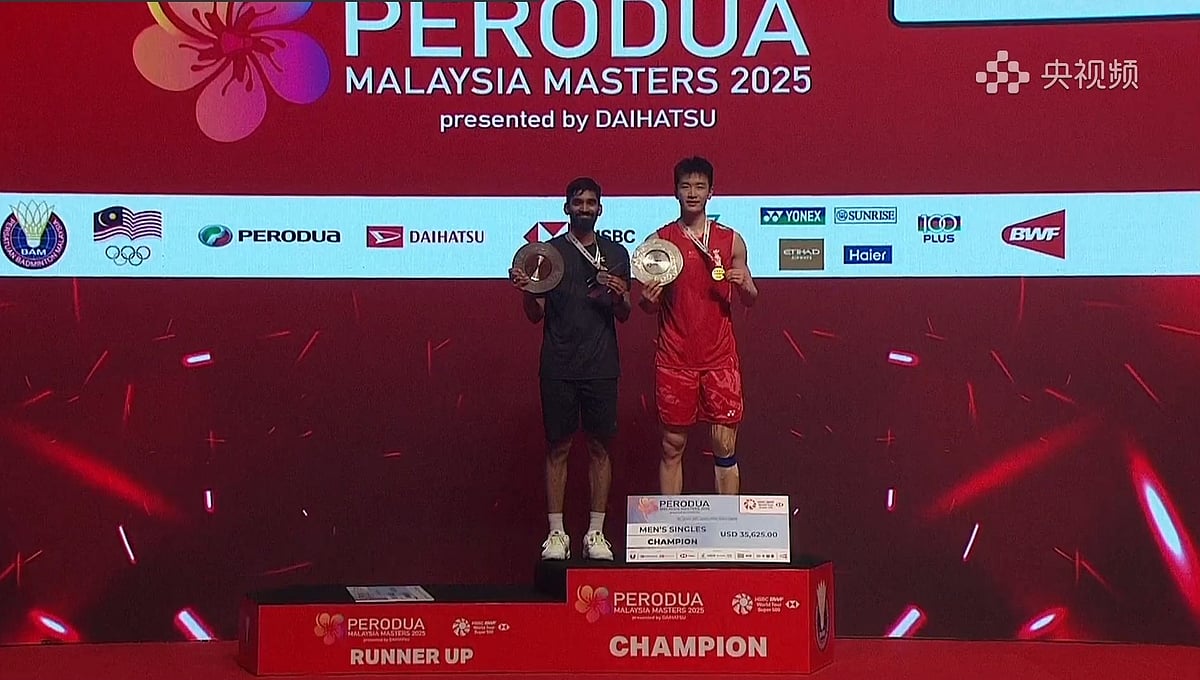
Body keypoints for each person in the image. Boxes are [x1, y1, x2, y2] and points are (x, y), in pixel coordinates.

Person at [509, 177, 632, 560]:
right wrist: (527, 292)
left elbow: (625, 314)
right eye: (577, 202)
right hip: (559, 365)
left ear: (600, 209)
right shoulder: (548, 254)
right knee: (558, 447)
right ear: (566, 208)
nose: (584, 208)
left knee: (599, 447)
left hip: (601, 365)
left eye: (590, 202)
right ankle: (557, 534)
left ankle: (595, 534)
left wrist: (619, 294)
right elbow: (534, 316)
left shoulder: (616, 254)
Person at [638, 157, 758, 495]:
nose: (692, 193)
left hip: (719, 359)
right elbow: (647, 306)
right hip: (675, 359)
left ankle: (728, 528)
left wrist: (745, 285)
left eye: (699, 186)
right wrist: (648, 297)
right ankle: (671, 529)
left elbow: (751, 297)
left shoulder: (731, 240)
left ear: (711, 192)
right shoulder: (660, 241)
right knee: (671, 445)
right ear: (675, 191)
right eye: (686, 186)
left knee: (724, 444)